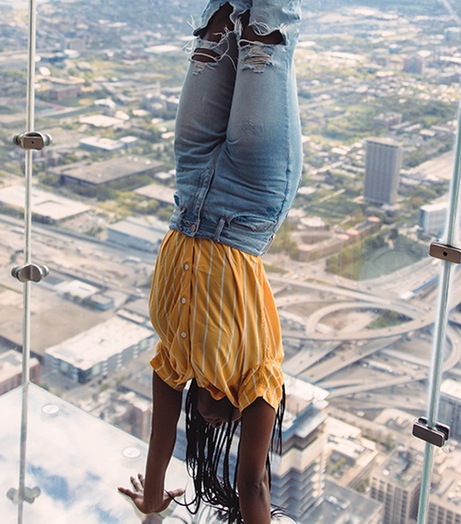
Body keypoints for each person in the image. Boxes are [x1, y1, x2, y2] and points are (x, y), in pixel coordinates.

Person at [118, 1, 302, 522]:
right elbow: (253, 487)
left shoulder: (175, 360)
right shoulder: (258, 382)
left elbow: (158, 438)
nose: (205, 414)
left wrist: (153, 500)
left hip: (191, 176)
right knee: (264, 34)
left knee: (218, 24)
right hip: (252, 197)